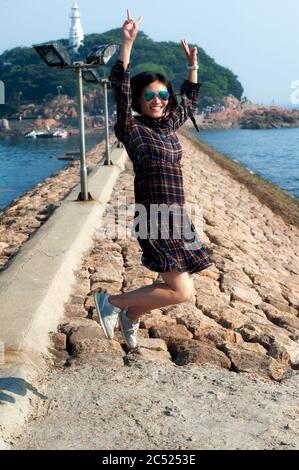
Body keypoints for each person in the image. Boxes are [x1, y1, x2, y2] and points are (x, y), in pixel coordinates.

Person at [94, 10, 213, 349]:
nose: (157, 101)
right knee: (180, 291)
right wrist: (127, 43)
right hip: (155, 218)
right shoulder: (132, 129)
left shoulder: (167, 126)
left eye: (162, 96)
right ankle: (113, 303)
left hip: (178, 217)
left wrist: (193, 67)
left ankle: (133, 316)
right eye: (149, 96)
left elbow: (188, 101)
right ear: (139, 101)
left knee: (174, 285)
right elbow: (119, 86)